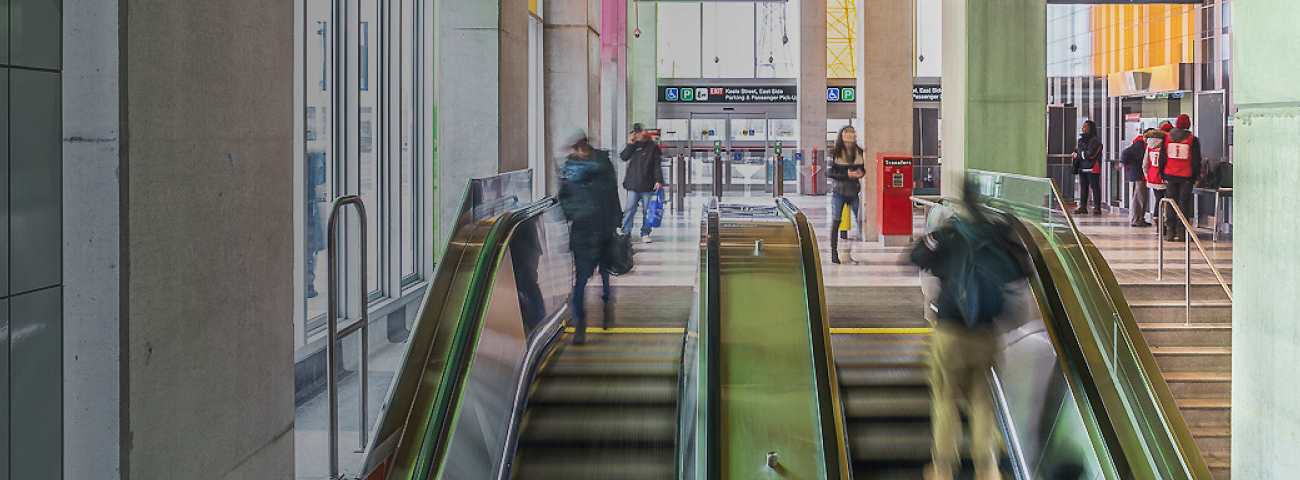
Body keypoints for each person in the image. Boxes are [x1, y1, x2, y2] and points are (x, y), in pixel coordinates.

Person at [910, 183, 1028, 480]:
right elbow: (1023, 269)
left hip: (951, 330)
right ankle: (987, 467)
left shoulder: (950, 234)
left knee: (946, 397)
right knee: (982, 401)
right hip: (987, 333)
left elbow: (916, 256)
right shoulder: (997, 235)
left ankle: (943, 467)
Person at [559, 133, 622, 345]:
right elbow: (564, 199)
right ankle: (580, 323)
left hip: (603, 230)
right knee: (581, 280)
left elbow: (613, 193)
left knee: (605, 275)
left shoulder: (603, 165)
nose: (582, 151)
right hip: (583, 233)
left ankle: (607, 307)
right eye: (578, 148)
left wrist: (616, 219)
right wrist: (577, 214)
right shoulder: (569, 171)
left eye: (583, 146)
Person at [1158, 114, 1202, 242]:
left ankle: (1170, 232)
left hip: (1170, 175)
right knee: (1184, 204)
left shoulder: (1167, 138)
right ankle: (1183, 233)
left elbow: (1162, 157)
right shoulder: (1192, 139)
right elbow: (1196, 160)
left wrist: (1162, 174)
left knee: (1171, 203)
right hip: (1186, 176)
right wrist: (1196, 176)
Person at [827, 125, 866, 264]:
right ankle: (834, 253)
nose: (850, 134)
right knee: (836, 221)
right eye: (846, 132)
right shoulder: (835, 153)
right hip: (839, 192)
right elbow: (830, 173)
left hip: (854, 191)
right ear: (841, 135)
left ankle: (850, 252)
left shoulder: (859, 152)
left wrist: (860, 173)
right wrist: (847, 174)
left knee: (860, 221)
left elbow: (862, 168)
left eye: (851, 132)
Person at [619, 123, 664, 243]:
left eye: (638, 132)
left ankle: (645, 232)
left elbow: (656, 165)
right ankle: (626, 231)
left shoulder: (652, 147)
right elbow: (624, 157)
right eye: (635, 132)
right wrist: (630, 144)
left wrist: (658, 180)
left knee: (647, 211)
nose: (637, 135)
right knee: (630, 209)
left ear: (644, 132)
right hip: (633, 184)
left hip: (647, 185)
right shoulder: (633, 146)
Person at [1121, 129, 1155, 227]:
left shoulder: (1142, 144)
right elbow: (1125, 153)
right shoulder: (1139, 144)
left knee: (1142, 198)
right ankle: (1136, 219)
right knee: (1138, 198)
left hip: (1139, 174)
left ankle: (1140, 218)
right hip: (1138, 175)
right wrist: (1122, 163)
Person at [1072, 120, 1104, 215]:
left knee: (1095, 187)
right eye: (1083, 126)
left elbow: (1090, 154)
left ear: (1090, 128)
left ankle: (1097, 207)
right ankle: (1083, 206)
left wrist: (1077, 155)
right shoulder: (1081, 140)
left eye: (1085, 126)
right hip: (1082, 167)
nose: (1083, 128)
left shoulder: (1095, 141)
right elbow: (1079, 150)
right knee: (1083, 187)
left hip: (1093, 167)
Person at [1144, 126, 1171, 233]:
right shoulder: (1166, 146)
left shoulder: (1149, 146)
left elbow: (1145, 164)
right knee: (1169, 201)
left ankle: (1158, 225)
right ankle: (1167, 223)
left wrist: (1148, 176)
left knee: (1158, 201)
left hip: (1153, 178)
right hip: (1164, 178)